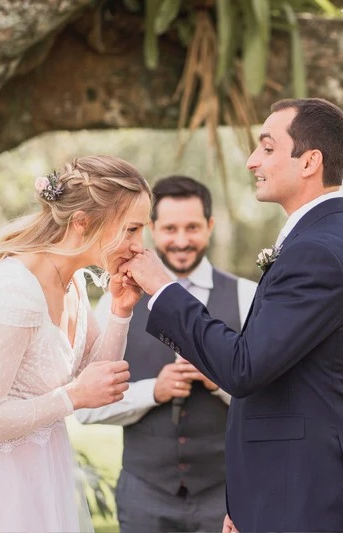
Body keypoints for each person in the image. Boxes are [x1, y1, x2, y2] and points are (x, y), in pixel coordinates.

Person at [122, 98, 343, 533]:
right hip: (284, 488)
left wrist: (163, 289)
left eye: (267, 147)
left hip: (304, 493)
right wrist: (248, 502)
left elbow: (243, 367)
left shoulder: (318, 251)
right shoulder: (319, 240)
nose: (251, 161)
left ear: (310, 162)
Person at [0, 156, 151, 533]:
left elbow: (99, 378)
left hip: (43, 476)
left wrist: (120, 311)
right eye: (132, 230)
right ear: (82, 222)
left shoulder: (74, 283)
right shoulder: (14, 291)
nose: (139, 246)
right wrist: (71, 397)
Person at [75, 175, 257, 533]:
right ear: (152, 229)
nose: (181, 240)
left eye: (192, 227)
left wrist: (221, 378)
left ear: (210, 227)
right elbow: (85, 409)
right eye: (170, 228)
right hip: (144, 496)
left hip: (228, 495)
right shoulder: (117, 300)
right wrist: (153, 391)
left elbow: (273, 398)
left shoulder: (247, 296)